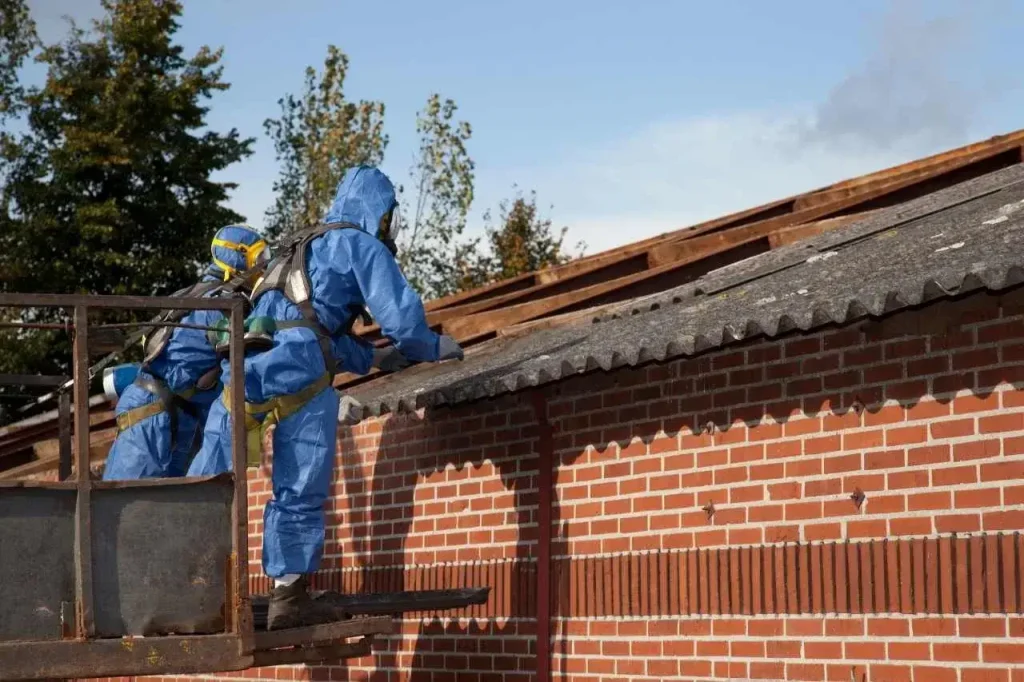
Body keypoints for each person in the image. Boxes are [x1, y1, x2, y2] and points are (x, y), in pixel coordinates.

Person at [187, 165, 463, 630]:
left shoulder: (301, 248)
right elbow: (401, 320)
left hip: (247, 368)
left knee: (205, 483)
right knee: (299, 484)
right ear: (379, 211)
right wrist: (430, 347)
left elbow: (307, 325)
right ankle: (289, 596)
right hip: (303, 374)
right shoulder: (361, 244)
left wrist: (373, 359)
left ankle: (179, 580)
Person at [101, 225, 270, 480]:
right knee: (127, 505)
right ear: (237, 257)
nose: (263, 266)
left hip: (177, 414)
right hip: (153, 412)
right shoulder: (219, 305)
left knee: (173, 508)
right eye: (258, 257)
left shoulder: (197, 295)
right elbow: (224, 354)